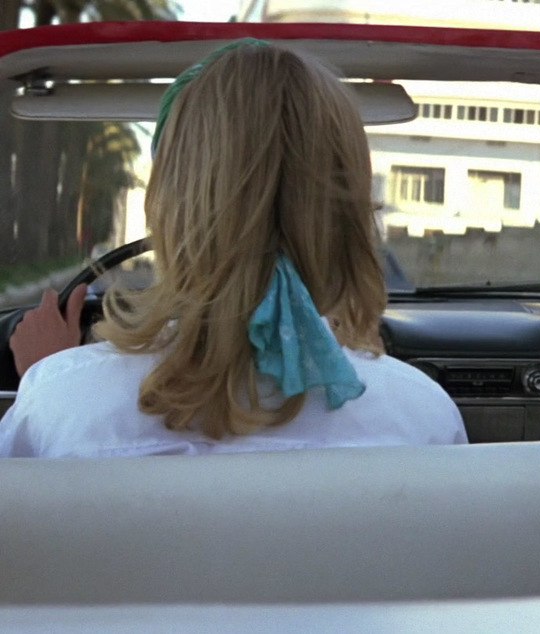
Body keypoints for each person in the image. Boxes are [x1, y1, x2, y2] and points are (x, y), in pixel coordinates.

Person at [0, 42, 467, 456]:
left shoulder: (60, 405)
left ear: (173, 206)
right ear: (347, 213)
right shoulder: (423, 416)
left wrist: (49, 374)